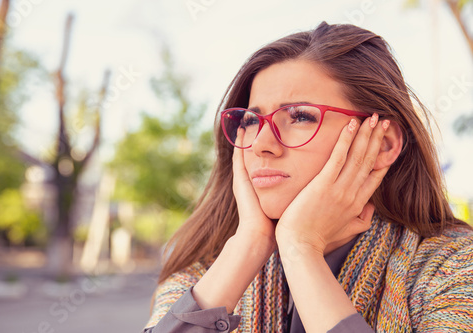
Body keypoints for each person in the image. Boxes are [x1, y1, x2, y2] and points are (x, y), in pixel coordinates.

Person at [143, 22, 473, 333]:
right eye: (251, 121)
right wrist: (249, 245)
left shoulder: (455, 267)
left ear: (382, 145)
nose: (261, 145)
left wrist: (301, 249)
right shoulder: (204, 273)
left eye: (300, 116)